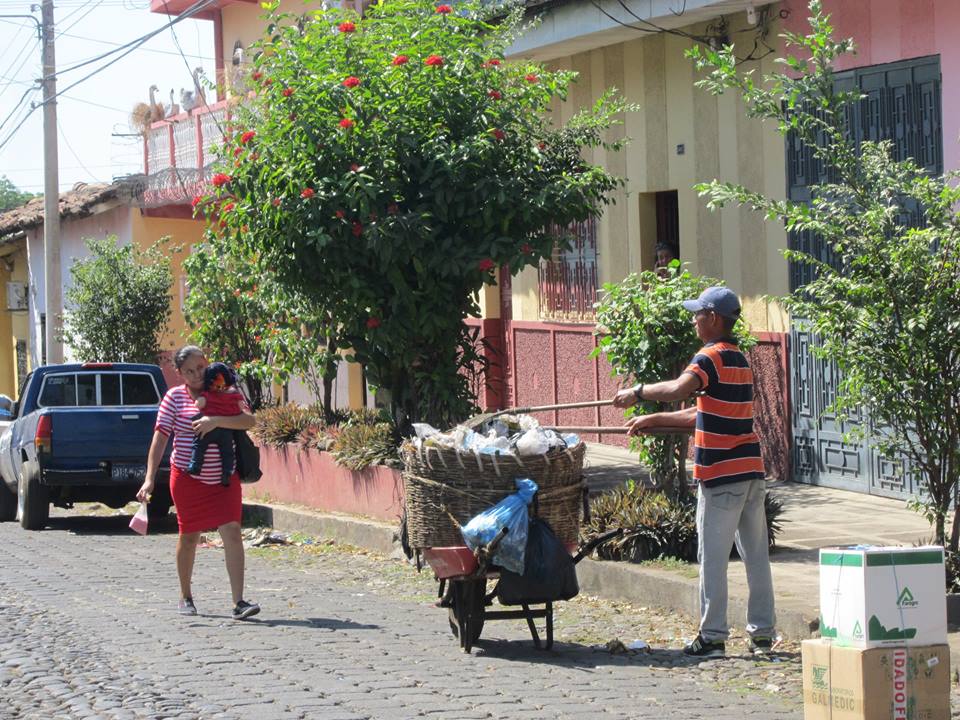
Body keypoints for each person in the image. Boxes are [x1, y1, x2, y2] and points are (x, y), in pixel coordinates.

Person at [612, 286, 775, 658]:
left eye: (698, 314)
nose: (693, 320)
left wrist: (638, 392)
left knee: (713, 559)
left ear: (714, 318)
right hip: (751, 473)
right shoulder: (739, 359)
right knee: (756, 558)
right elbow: (700, 414)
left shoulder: (708, 357)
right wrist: (652, 420)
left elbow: (677, 389)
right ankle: (763, 634)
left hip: (720, 476)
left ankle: (713, 636)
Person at [137, 345, 261, 620]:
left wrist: (215, 420)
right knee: (190, 535)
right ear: (180, 373)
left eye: (200, 368)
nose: (196, 375)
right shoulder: (174, 398)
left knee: (231, 531)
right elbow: (160, 438)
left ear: (208, 364)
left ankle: (238, 601)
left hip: (224, 479)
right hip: (187, 479)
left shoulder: (224, 388)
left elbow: (248, 420)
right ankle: (185, 596)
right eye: (189, 371)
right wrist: (149, 479)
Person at [186, 361, 245, 486]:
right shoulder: (234, 395)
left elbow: (198, 404)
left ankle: (195, 465)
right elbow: (241, 408)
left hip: (206, 429)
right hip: (226, 430)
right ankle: (227, 472)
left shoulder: (208, 394)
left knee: (198, 446)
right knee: (227, 452)